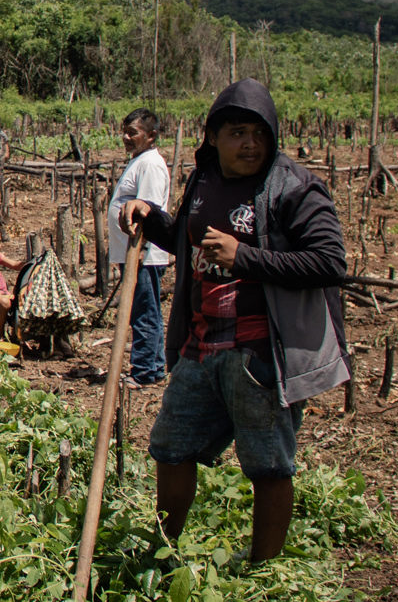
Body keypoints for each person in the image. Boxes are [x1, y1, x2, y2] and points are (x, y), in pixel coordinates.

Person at [121, 80, 350, 564]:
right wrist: (151, 215)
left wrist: (246, 257)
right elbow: (190, 238)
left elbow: (330, 262)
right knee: (170, 447)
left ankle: (263, 567)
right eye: (238, 133)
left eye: (259, 134)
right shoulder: (205, 181)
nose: (251, 144)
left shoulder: (294, 186)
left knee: (268, 464)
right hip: (201, 345)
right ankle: (163, 553)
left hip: (261, 351)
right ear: (214, 138)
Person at [109, 108, 173, 389]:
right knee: (146, 310)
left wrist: (140, 248)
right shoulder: (139, 161)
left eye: (132, 132)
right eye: (124, 131)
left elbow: (147, 211)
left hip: (142, 253)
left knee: (144, 311)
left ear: (151, 136)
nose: (126, 137)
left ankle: (145, 370)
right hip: (135, 253)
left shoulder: (150, 164)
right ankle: (153, 367)